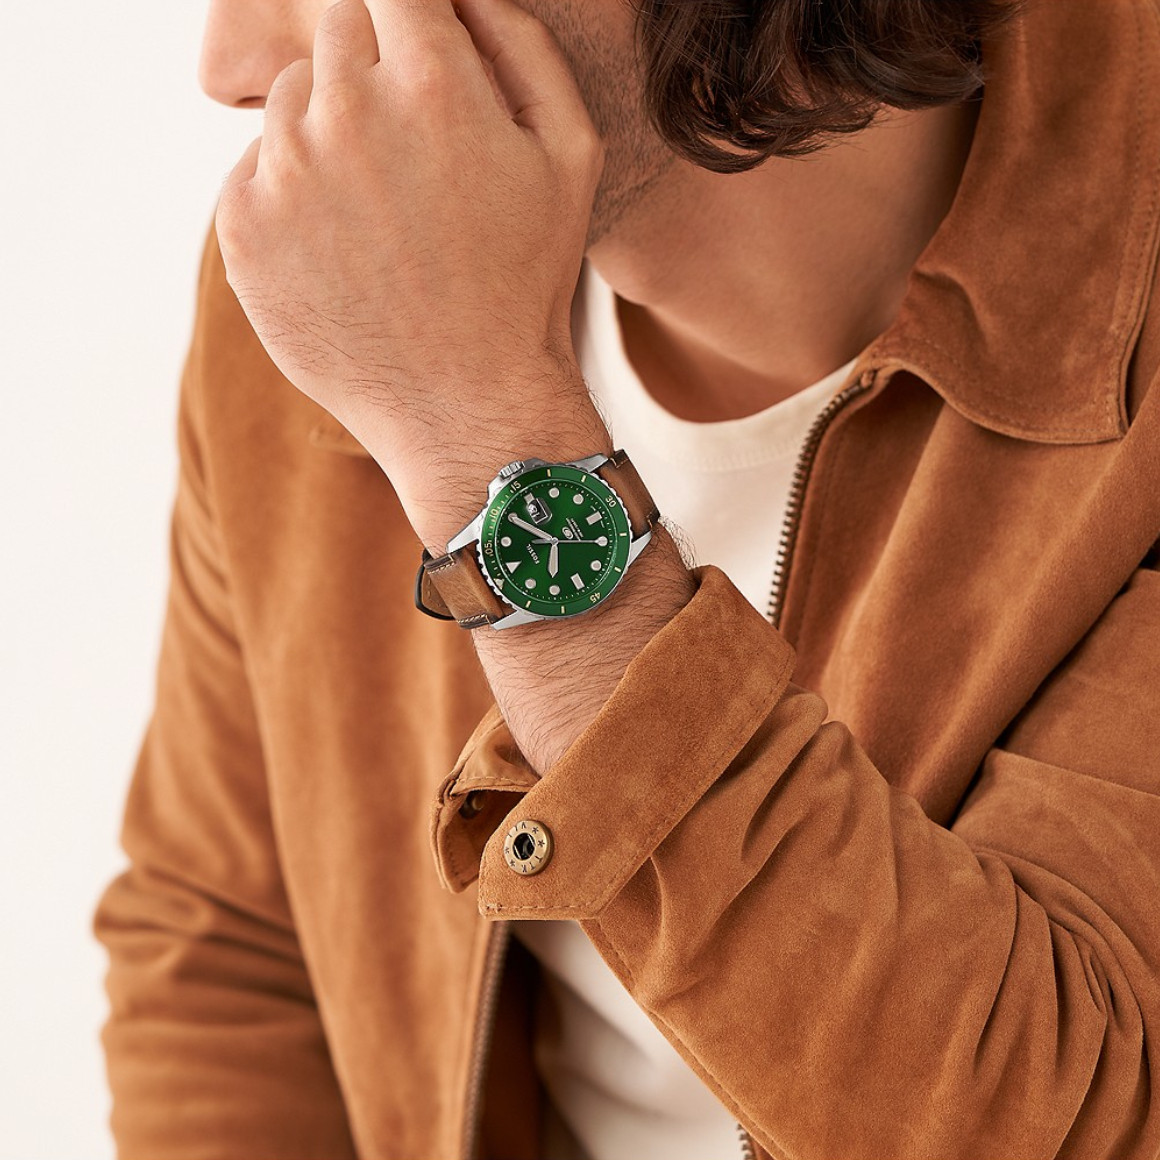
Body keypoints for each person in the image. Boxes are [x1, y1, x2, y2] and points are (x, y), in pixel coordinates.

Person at [92, 0, 1160, 1153]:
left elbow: (1070, 1118)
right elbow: (229, 949)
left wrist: (482, 429)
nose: (231, 67)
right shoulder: (342, 250)